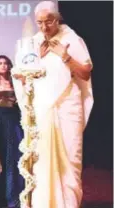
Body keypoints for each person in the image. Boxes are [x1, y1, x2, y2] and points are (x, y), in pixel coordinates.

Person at [12, 1, 94, 208]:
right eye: (39, 23)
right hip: (41, 109)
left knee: (69, 159)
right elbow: (22, 74)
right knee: (41, 160)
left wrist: (65, 56)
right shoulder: (34, 42)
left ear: (57, 20)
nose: (44, 27)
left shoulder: (71, 40)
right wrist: (30, 67)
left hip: (67, 108)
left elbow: (85, 73)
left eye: (48, 22)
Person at [0, 55, 24, 208]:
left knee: (12, 157)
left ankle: (13, 197)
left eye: (5, 63)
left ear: (9, 66)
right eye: (0, 63)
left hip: (13, 120)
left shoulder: (16, 82)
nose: (3, 66)